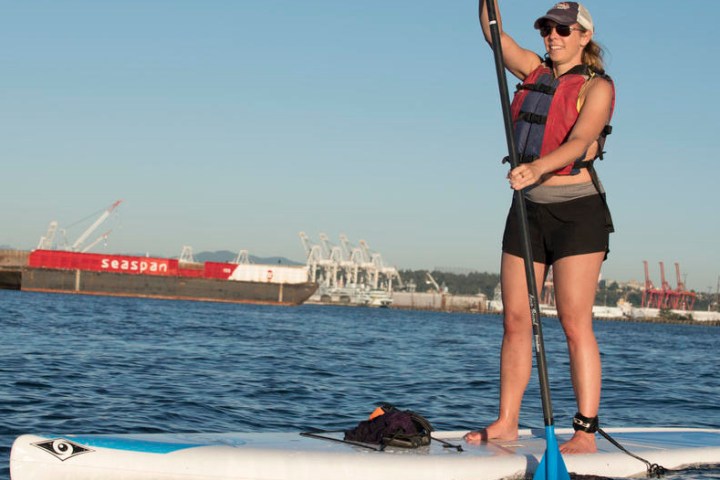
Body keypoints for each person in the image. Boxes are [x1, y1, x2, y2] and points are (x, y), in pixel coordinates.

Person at [464, 1, 615, 454]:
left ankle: (585, 432)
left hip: (577, 211)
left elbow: (579, 141)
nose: (553, 36)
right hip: (527, 208)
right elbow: (496, 36)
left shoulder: (599, 87)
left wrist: (536, 168)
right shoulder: (533, 69)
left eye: (563, 30)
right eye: (548, 28)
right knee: (515, 320)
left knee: (573, 321)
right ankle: (507, 420)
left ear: (584, 37)